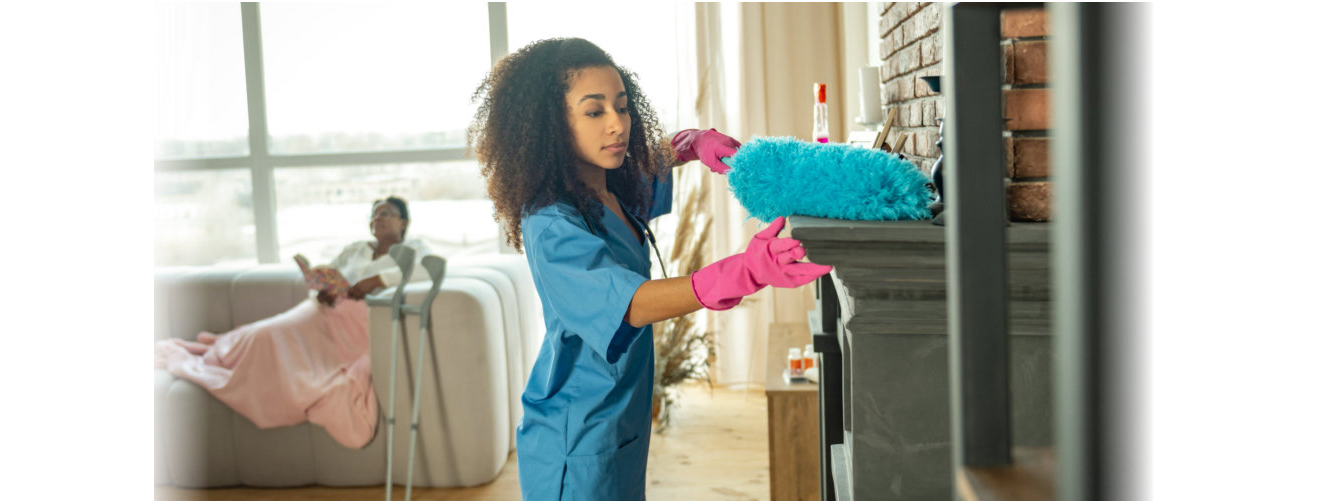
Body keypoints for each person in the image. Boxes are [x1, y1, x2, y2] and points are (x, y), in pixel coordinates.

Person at [469, 38, 831, 500]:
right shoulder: (552, 222)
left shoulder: (606, 191)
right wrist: (742, 272)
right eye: (594, 112)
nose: (618, 124)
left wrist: (690, 144)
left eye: (622, 107)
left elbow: (650, 166)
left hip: (618, 420)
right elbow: (631, 304)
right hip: (577, 435)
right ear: (550, 126)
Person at [153, 196, 430, 448]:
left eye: (386, 213)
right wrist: (320, 290)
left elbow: (428, 268)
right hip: (322, 312)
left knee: (267, 339)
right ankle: (220, 354)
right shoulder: (354, 250)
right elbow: (328, 274)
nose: (378, 218)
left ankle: (225, 357)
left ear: (403, 222)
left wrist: (377, 280)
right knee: (263, 334)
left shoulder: (415, 249)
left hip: (356, 327)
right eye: (374, 214)